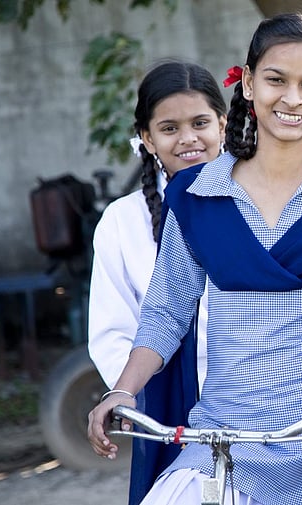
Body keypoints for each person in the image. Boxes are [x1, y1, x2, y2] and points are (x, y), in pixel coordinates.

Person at [87, 12, 302, 505]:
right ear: (249, 83)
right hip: (221, 437)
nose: (292, 98)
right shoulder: (196, 196)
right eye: (276, 79)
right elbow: (166, 314)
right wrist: (122, 391)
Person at [86, 59, 226, 504]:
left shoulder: (258, 200)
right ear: (146, 138)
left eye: (201, 122)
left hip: (257, 396)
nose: (188, 138)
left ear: (223, 125)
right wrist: (132, 400)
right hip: (166, 407)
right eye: (169, 128)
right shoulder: (121, 222)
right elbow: (112, 330)